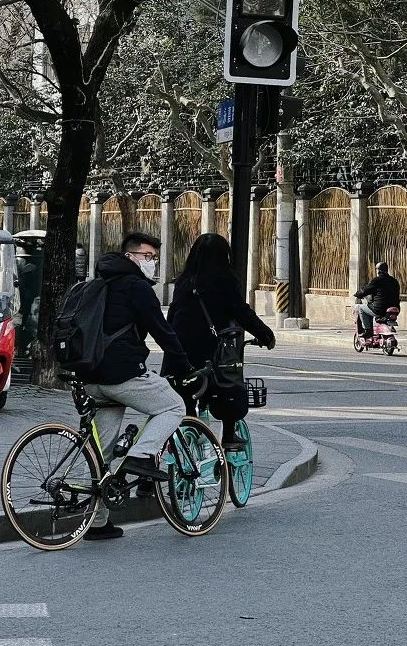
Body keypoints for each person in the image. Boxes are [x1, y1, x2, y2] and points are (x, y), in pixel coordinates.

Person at [82, 231, 193, 542]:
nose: (152, 263)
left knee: (101, 454)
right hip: (122, 375)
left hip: (91, 379)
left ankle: (97, 522)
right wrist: (185, 367)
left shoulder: (98, 283)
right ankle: (142, 455)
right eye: (147, 257)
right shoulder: (136, 287)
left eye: (155, 258)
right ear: (129, 256)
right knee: (173, 407)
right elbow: (163, 331)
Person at [165, 233, 275, 450]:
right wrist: (265, 335)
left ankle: (186, 436)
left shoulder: (183, 282)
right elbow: (242, 312)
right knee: (230, 387)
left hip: (178, 355)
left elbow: (172, 316)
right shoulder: (224, 281)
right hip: (211, 355)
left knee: (186, 395)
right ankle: (230, 435)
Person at [355, 260, 401, 343]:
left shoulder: (376, 280)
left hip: (379, 309)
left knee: (360, 308)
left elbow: (365, 290)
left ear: (378, 270)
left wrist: (358, 294)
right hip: (395, 309)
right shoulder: (394, 281)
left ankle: (368, 331)